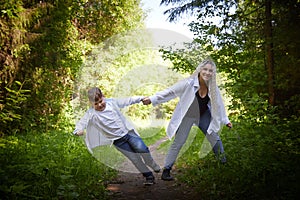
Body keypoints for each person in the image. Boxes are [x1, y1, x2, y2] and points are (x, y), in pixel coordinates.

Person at [142, 59, 232, 181]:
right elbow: (169, 92)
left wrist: (225, 120)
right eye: (205, 69)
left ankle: (223, 166)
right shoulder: (188, 83)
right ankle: (166, 171)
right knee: (179, 142)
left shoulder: (213, 87)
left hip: (203, 115)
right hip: (187, 116)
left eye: (211, 70)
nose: (207, 72)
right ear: (200, 70)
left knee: (214, 137)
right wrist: (152, 99)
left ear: (213, 73)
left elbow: (219, 104)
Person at [73, 87, 161, 185]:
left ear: (103, 97)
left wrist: (140, 98)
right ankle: (149, 176)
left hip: (129, 133)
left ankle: (150, 162)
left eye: (101, 101)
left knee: (142, 149)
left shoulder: (112, 103)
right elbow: (81, 123)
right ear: (91, 104)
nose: (99, 105)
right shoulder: (91, 113)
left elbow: (127, 100)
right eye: (96, 104)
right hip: (118, 141)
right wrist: (78, 131)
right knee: (135, 159)